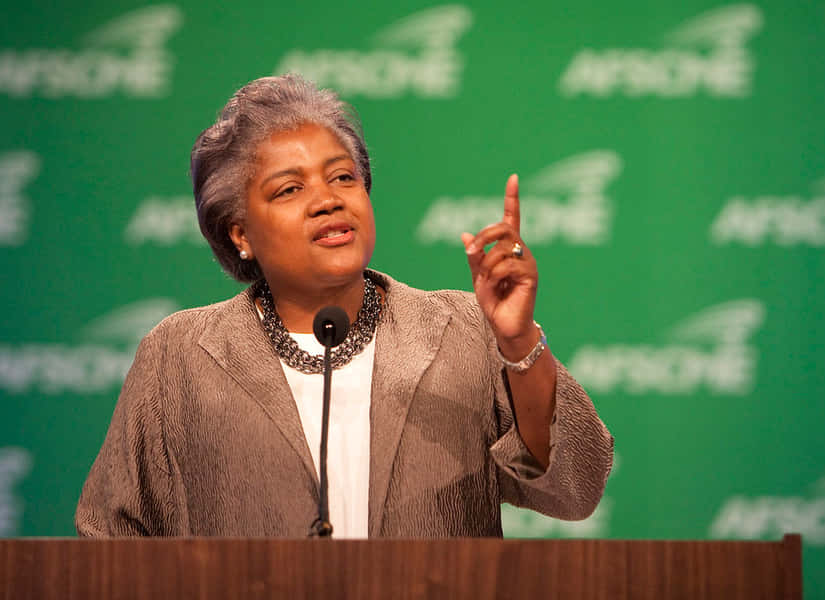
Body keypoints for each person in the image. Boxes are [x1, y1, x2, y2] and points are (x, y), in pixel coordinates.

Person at [75, 74, 613, 537]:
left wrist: (518, 342)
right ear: (240, 233)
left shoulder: (460, 330)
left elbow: (577, 487)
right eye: (289, 189)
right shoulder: (181, 356)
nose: (328, 199)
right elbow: (111, 540)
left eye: (343, 177)